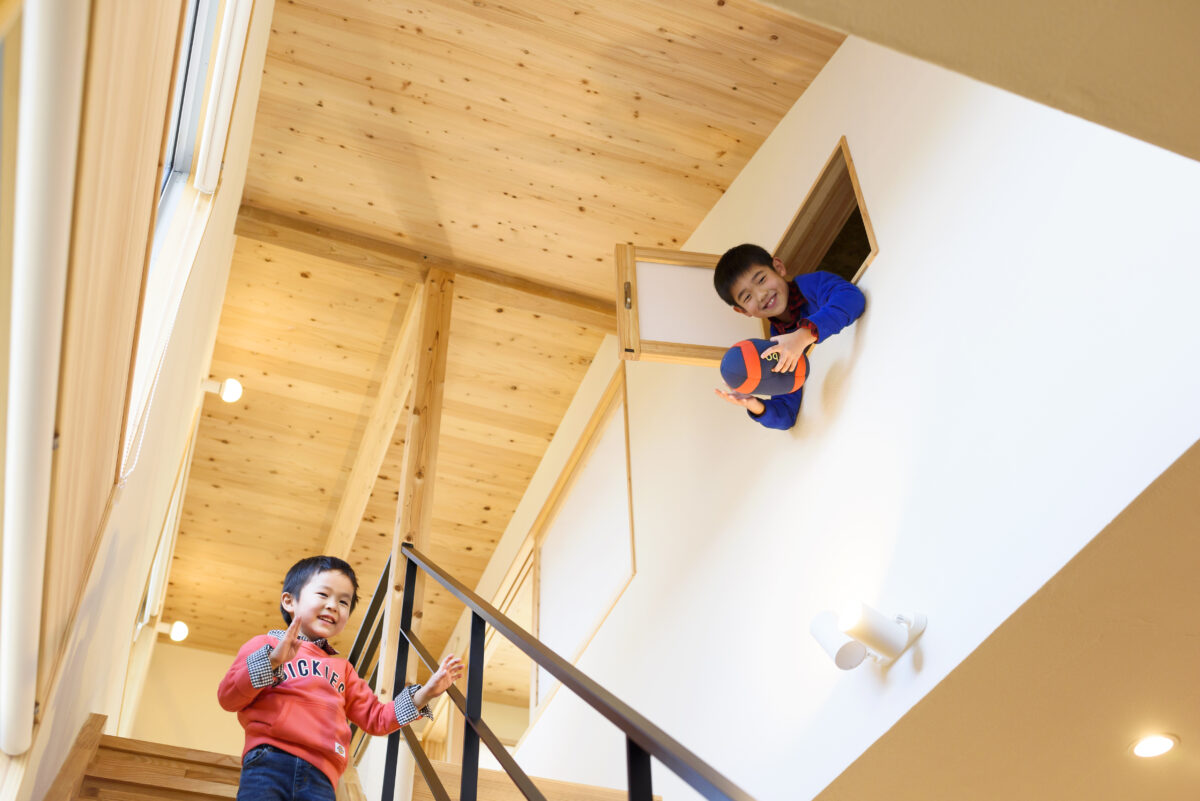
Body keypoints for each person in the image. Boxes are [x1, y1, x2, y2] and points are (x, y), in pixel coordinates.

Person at [218, 555, 463, 800]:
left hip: (322, 774)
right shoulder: (264, 645)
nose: (333, 605)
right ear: (289, 601)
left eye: (343, 602)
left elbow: (376, 718)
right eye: (323, 595)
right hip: (269, 759)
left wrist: (426, 693)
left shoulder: (342, 668)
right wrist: (272, 660)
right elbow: (228, 698)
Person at [712, 243, 865, 430]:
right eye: (747, 297)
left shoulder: (812, 285)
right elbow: (786, 413)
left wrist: (802, 336)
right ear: (742, 311)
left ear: (778, 267)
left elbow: (851, 298)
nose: (761, 295)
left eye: (761, 280)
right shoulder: (775, 344)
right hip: (853, 405)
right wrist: (754, 404)